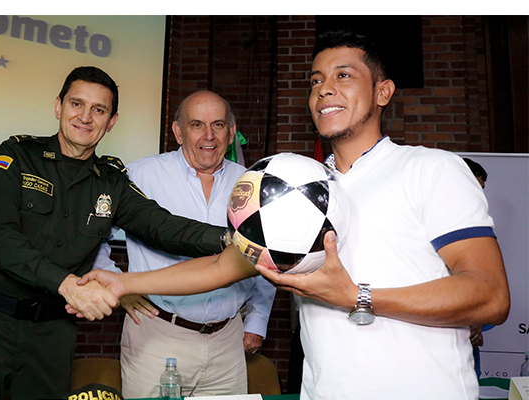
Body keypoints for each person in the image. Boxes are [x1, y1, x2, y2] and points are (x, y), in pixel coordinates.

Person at [77, 30, 510, 400]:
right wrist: (123, 284)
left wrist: (357, 296)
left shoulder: (432, 169)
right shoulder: (295, 188)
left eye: (343, 76)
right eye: (316, 80)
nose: (324, 89)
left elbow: (491, 296)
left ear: (383, 92)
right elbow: (222, 266)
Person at [0, 67, 229, 400]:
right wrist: (66, 284)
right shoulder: (17, 155)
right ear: (58, 106)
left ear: (112, 121)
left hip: (51, 333)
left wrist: (232, 239)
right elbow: (0, 238)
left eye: (99, 110)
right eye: (77, 104)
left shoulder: (112, 181)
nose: (86, 117)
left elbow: (162, 225)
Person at [94, 91, 276, 397]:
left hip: (228, 341)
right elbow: (94, 237)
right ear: (178, 132)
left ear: (232, 132)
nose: (209, 136)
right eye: (196, 125)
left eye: (218, 125)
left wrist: (257, 320)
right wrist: (119, 287)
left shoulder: (252, 182)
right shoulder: (140, 175)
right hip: (157, 333)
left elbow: (267, 253)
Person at [463, 157, 490, 379]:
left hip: (468, 339)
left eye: (481, 190)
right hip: (433, 338)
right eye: (473, 188)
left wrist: (477, 323)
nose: (478, 196)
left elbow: (482, 282)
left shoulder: (477, 228)